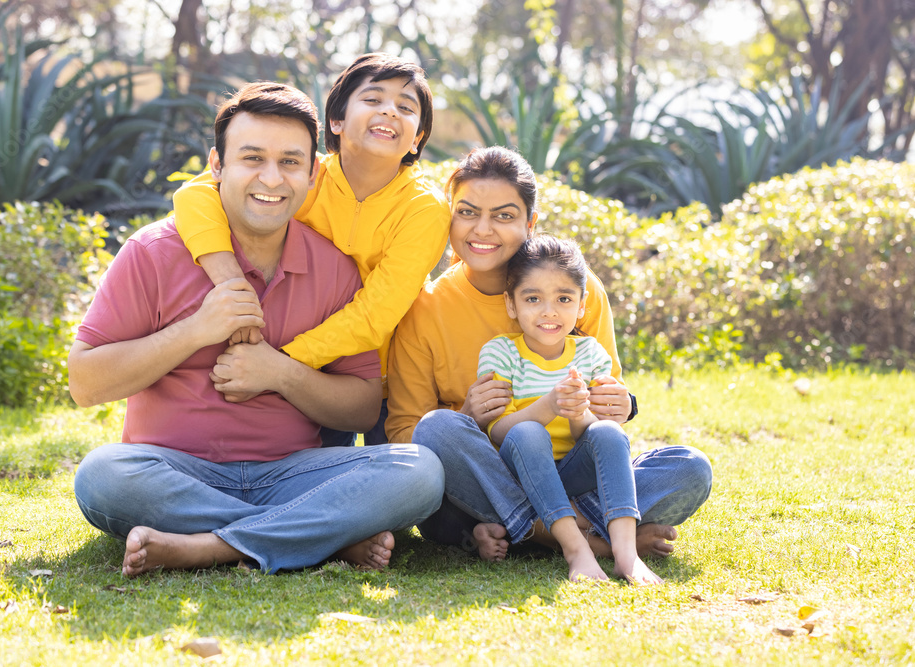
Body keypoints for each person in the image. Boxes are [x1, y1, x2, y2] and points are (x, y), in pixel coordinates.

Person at [69, 81, 443, 577]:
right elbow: (85, 383)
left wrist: (281, 373)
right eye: (252, 159)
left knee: (420, 472)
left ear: (313, 172)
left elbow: (360, 406)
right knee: (102, 476)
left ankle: (208, 545)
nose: (272, 178)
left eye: (290, 162)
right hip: (173, 469)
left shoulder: (335, 269)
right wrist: (197, 329)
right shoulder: (153, 252)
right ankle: (319, 538)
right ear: (217, 166)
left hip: (293, 474)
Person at [387, 146, 712, 577]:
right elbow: (410, 438)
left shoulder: (577, 289)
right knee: (438, 431)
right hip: (488, 474)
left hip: (565, 470)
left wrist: (620, 404)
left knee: (689, 468)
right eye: (467, 212)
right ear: (450, 218)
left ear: (530, 223)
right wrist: (468, 415)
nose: (482, 229)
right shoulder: (425, 308)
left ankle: (523, 530)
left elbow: (602, 413)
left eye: (504, 215)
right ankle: (592, 538)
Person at [171, 53, 450, 446]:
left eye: (406, 108)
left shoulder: (424, 208)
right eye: (373, 99)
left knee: (386, 492)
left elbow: (376, 313)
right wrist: (232, 284)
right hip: (278, 356)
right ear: (335, 121)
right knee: (288, 469)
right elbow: (194, 194)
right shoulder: (303, 177)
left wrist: (281, 362)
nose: (389, 112)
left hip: (377, 378)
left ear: (417, 137)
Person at [477, 234, 661, 584]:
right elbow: (499, 433)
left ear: (581, 305)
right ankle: (576, 547)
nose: (549, 311)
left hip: (577, 474)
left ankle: (626, 554)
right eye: (533, 298)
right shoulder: (501, 353)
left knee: (609, 431)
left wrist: (578, 413)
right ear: (511, 304)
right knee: (528, 432)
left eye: (563, 298)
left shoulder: (590, 353)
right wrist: (549, 405)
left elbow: (591, 438)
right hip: (522, 472)